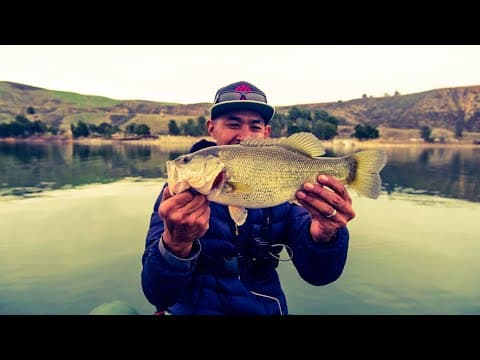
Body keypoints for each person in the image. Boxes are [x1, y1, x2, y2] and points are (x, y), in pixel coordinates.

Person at [141, 81, 355, 315]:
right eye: (233, 124)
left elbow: (320, 275)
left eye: (255, 126)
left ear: (266, 132)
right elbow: (157, 295)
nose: (243, 136)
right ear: (211, 128)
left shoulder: (290, 198)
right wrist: (175, 244)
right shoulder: (175, 198)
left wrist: (327, 235)